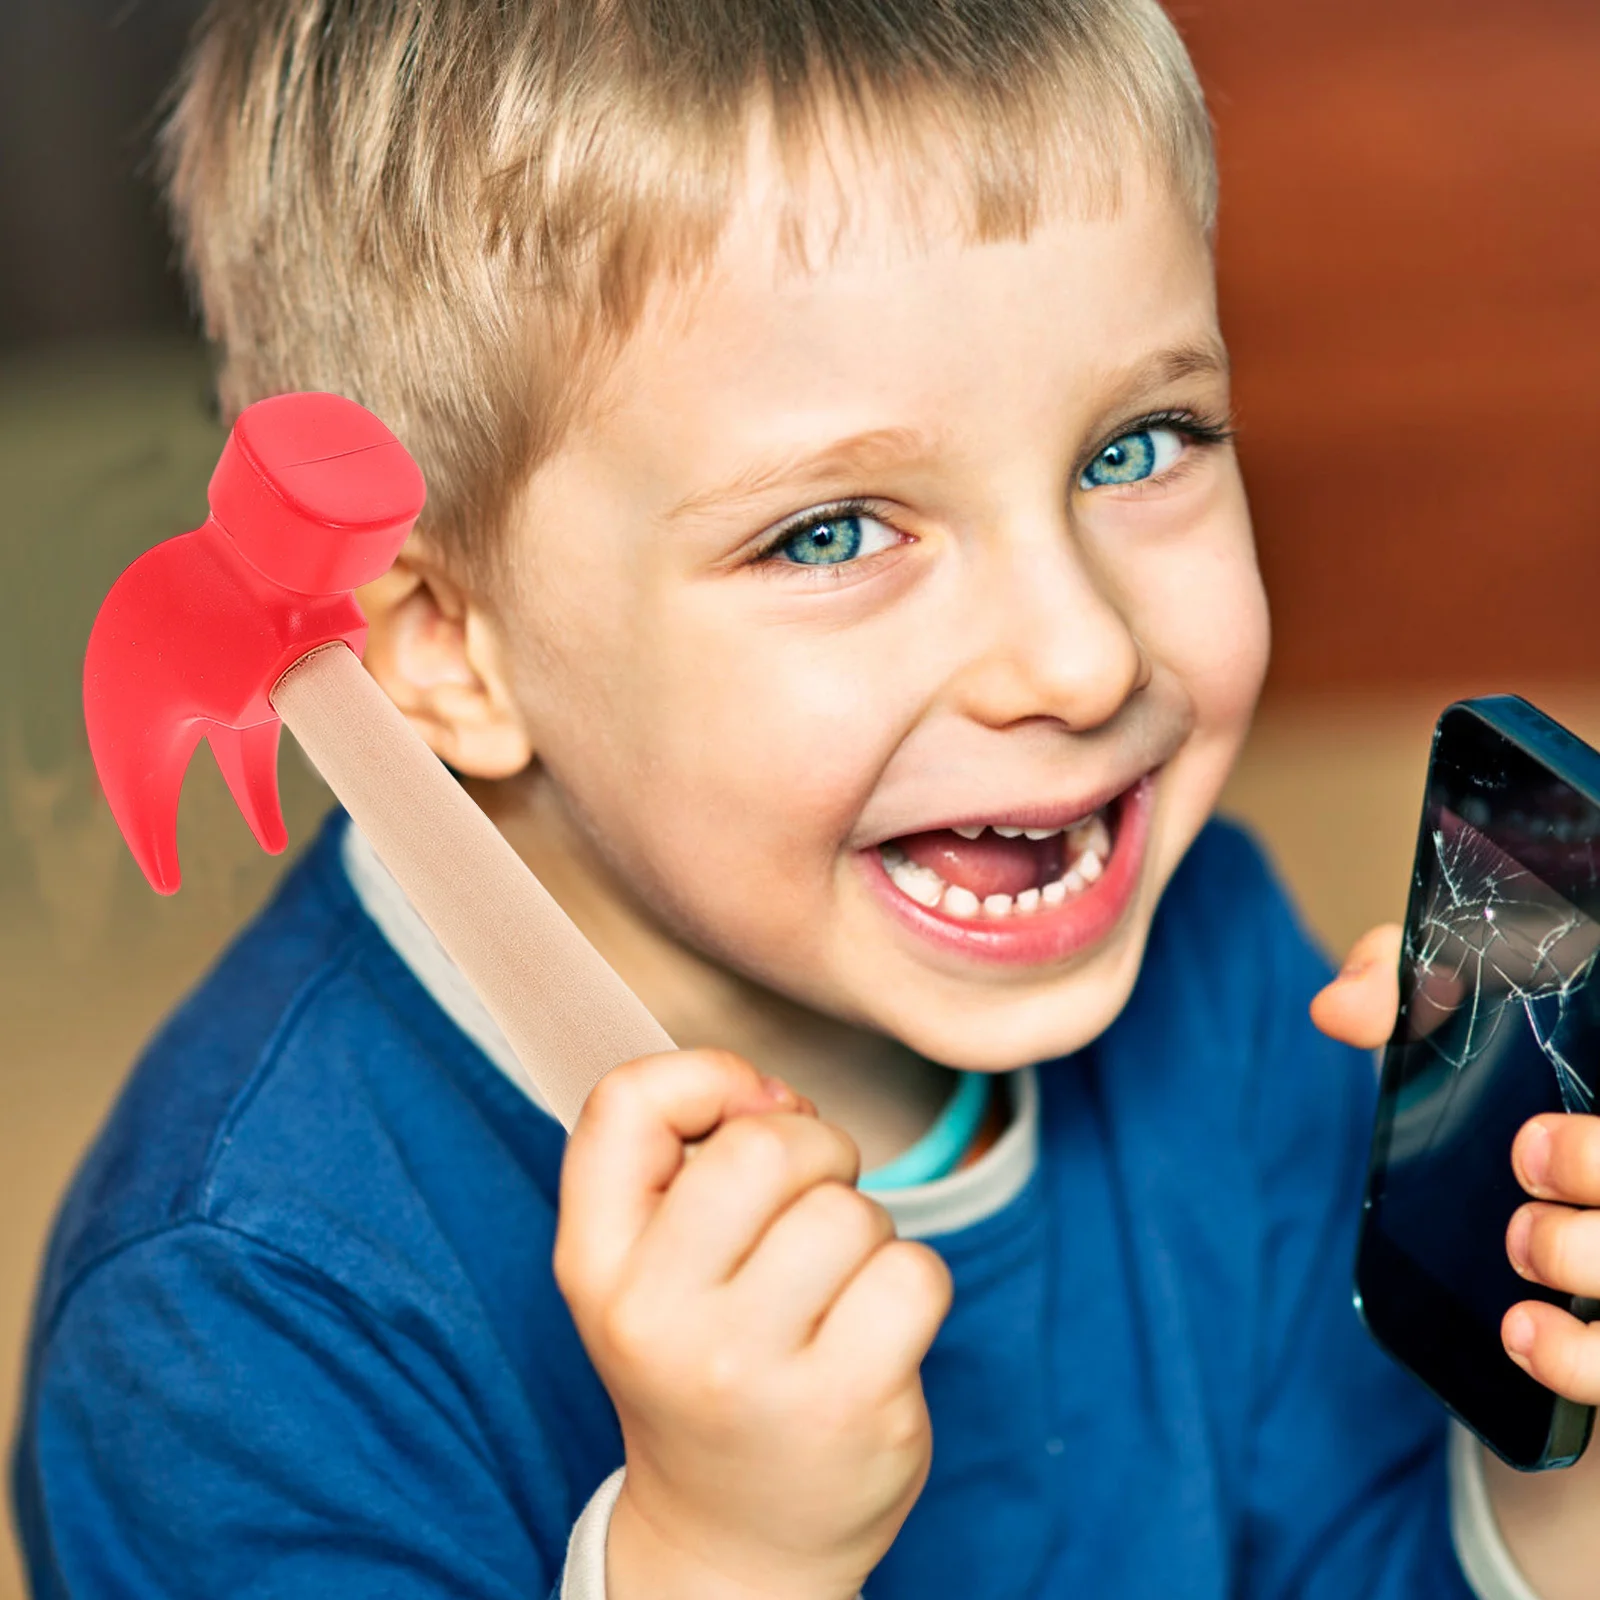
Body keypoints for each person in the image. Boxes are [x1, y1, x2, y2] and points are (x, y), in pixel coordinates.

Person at [12, 2, 1600, 1596]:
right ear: (447, 649)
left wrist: (1556, 1462)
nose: (1081, 652)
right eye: (833, 532)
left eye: (1138, 446)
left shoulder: (1222, 971)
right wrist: (720, 1558)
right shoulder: (238, 1324)